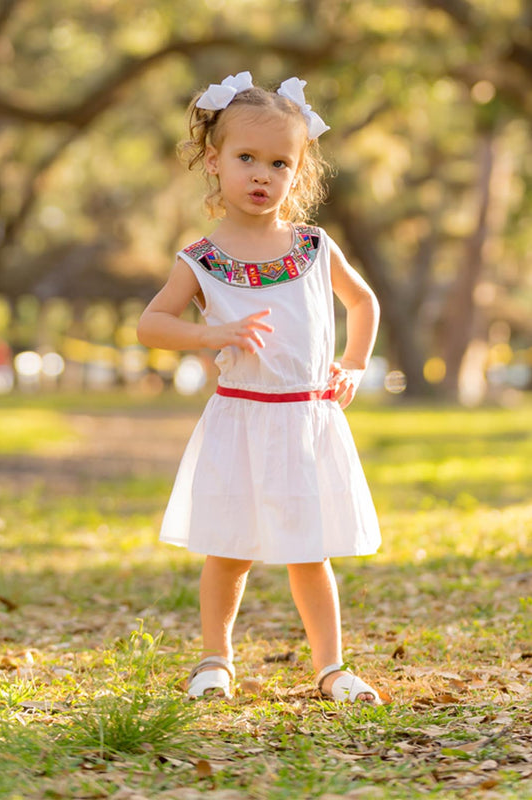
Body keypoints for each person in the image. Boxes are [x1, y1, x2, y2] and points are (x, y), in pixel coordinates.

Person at [137, 72, 382, 705]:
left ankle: (330, 667)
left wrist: (353, 364)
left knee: (309, 552)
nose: (262, 174)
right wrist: (211, 334)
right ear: (214, 161)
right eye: (246, 157)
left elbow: (363, 301)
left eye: (280, 162)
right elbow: (152, 324)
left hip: (304, 420)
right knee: (229, 549)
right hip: (240, 419)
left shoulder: (312, 246)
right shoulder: (203, 258)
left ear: (297, 172)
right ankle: (215, 658)